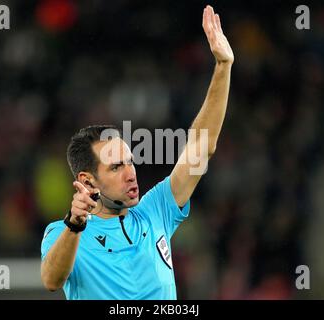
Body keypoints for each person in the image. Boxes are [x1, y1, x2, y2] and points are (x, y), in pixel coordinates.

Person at [40, 5, 234, 299]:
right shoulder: (63, 233)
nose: (131, 173)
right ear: (88, 180)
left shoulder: (155, 211)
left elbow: (201, 148)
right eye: (116, 167)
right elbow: (52, 279)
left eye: (130, 162)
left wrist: (223, 67)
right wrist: (74, 225)